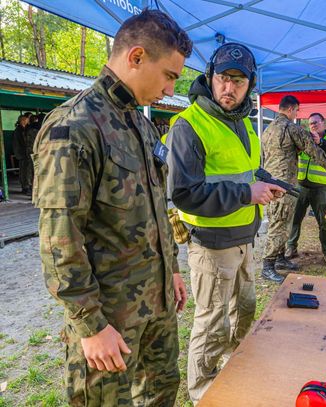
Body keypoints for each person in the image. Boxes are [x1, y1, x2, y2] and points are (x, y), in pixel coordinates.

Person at [32, 10, 192, 406]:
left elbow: (158, 206)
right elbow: (59, 240)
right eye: (169, 75)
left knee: (162, 393)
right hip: (110, 318)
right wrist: (90, 326)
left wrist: (172, 269)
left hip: (156, 304)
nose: (170, 89)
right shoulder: (74, 127)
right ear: (136, 57)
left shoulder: (140, 124)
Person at [166, 42, 285, 404]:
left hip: (244, 238)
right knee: (212, 322)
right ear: (210, 77)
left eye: (239, 81)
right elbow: (184, 194)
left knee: (244, 310)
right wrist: (247, 193)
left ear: (251, 86)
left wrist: (266, 182)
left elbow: (245, 170)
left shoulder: (243, 122)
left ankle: (233, 369)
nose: (229, 88)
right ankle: (203, 392)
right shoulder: (188, 125)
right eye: (222, 79)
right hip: (211, 244)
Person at [261, 96, 326, 283]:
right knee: (279, 224)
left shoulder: (268, 129)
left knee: (283, 221)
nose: (296, 115)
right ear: (291, 109)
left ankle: (280, 257)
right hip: (284, 186)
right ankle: (267, 266)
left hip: (272, 182)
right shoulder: (291, 128)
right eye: (296, 111)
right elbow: (313, 151)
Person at [286, 112, 326, 265]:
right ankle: (291, 247)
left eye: (316, 122)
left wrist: (321, 142)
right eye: (311, 123)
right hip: (301, 185)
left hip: (320, 188)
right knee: (295, 218)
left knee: (324, 222)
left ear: (324, 122)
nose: (313, 125)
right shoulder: (305, 137)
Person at [12, 113, 31, 194]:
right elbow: (21, 143)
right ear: (22, 121)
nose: (28, 121)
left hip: (23, 153)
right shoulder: (19, 130)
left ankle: (26, 186)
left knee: (25, 170)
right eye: (27, 120)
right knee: (24, 171)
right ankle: (25, 187)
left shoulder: (22, 129)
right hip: (22, 154)